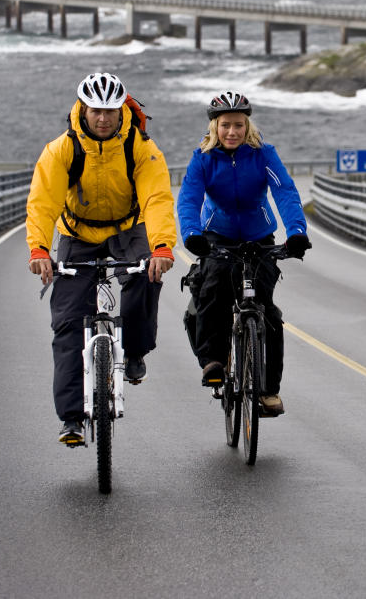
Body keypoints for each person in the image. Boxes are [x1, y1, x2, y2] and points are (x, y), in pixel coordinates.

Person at [26, 72, 176, 446]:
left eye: (110, 111)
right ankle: (72, 419)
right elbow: (43, 203)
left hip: (128, 228)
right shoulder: (61, 150)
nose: (104, 119)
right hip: (78, 233)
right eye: (96, 111)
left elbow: (157, 198)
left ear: (120, 110)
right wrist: (39, 249)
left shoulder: (141, 147)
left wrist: (161, 246)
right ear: (84, 110)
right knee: (67, 323)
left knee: (146, 276)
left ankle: (137, 351)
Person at [177, 91, 310, 417]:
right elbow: (189, 198)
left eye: (238, 125)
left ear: (247, 125)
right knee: (213, 288)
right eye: (225, 125)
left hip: (258, 236)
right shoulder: (203, 158)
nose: (232, 132)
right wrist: (192, 234)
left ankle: (267, 392)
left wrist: (296, 232)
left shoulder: (263, 154)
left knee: (267, 313)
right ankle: (214, 361)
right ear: (215, 127)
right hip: (216, 236)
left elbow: (285, 191)